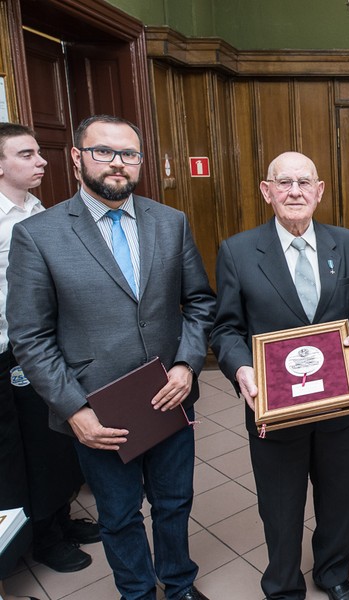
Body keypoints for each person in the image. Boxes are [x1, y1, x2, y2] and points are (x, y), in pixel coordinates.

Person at [6, 115, 215, 600]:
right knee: (119, 515)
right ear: (77, 158)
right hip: (97, 410)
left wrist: (186, 364)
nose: (118, 164)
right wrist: (73, 411)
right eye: (104, 152)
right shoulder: (40, 235)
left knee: (173, 501)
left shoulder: (171, 222)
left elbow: (200, 302)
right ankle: (138, 593)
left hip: (170, 395)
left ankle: (179, 584)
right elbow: (31, 337)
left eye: (130, 154)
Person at [210, 151, 349, 600]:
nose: (294, 191)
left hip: (337, 403)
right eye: (283, 182)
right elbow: (225, 328)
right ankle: (284, 584)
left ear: (319, 190)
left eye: (304, 182)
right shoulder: (238, 251)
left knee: (339, 498)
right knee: (281, 504)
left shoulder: (345, 243)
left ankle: (333, 574)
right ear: (267, 191)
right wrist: (240, 367)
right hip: (273, 406)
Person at [0, 123, 101, 579]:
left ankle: (61, 518)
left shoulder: (37, 208)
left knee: (54, 438)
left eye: (39, 152)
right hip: (6, 352)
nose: (41, 161)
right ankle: (40, 537)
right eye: (26, 155)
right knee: (20, 450)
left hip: (46, 347)